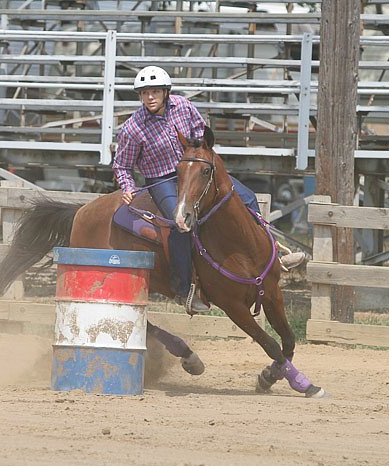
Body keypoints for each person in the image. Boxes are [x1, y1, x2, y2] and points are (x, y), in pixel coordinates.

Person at [112, 65, 306, 313]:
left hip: (195, 172)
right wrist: (127, 186)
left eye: (155, 91)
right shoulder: (133, 127)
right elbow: (122, 165)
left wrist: (199, 157)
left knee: (245, 197)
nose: (149, 97)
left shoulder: (183, 106)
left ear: (165, 92)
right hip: (163, 180)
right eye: (144, 93)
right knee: (180, 224)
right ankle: (184, 288)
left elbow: (200, 134)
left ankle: (275, 252)